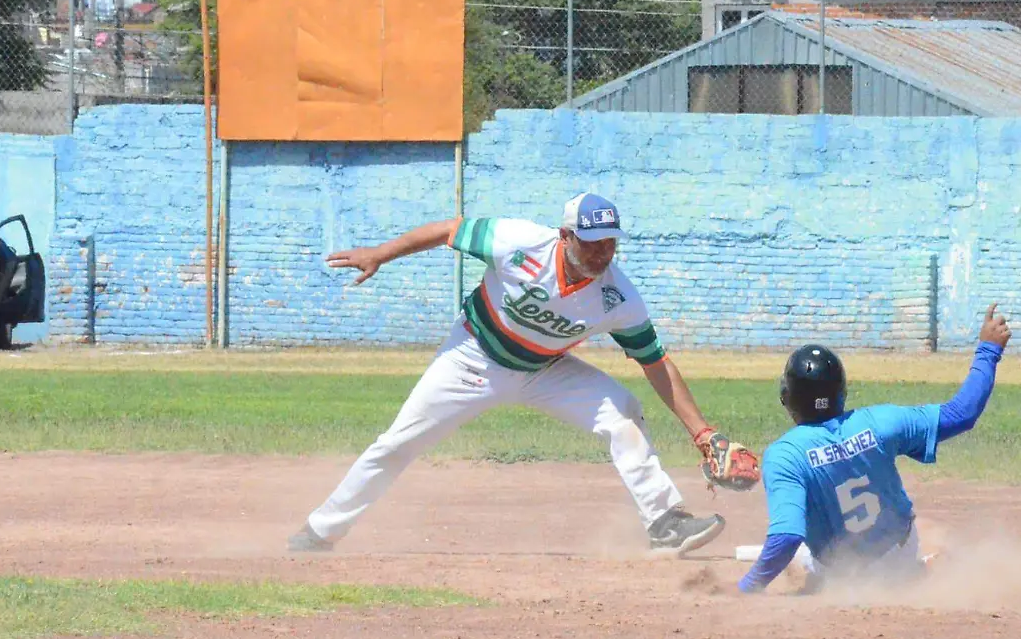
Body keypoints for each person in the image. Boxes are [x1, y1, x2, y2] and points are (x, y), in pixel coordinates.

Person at [289, 193, 755, 556]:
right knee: (397, 444)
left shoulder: (618, 296)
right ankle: (319, 531)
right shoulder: (519, 241)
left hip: (544, 369)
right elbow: (448, 231)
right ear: (565, 236)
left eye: (611, 242)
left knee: (623, 413)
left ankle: (666, 524)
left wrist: (703, 433)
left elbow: (654, 362)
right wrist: (382, 253)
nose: (602, 252)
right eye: (592, 242)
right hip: (472, 357)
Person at [737, 305, 1013, 595]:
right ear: (841, 393)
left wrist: (747, 588)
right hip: (900, 551)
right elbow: (962, 413)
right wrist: (988, 350)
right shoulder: (881, 422)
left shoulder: (785, 455)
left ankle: (917, 573)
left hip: (843, 575)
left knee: (803, 556)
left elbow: (786, 537)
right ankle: (915, 569)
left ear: (787, 399)